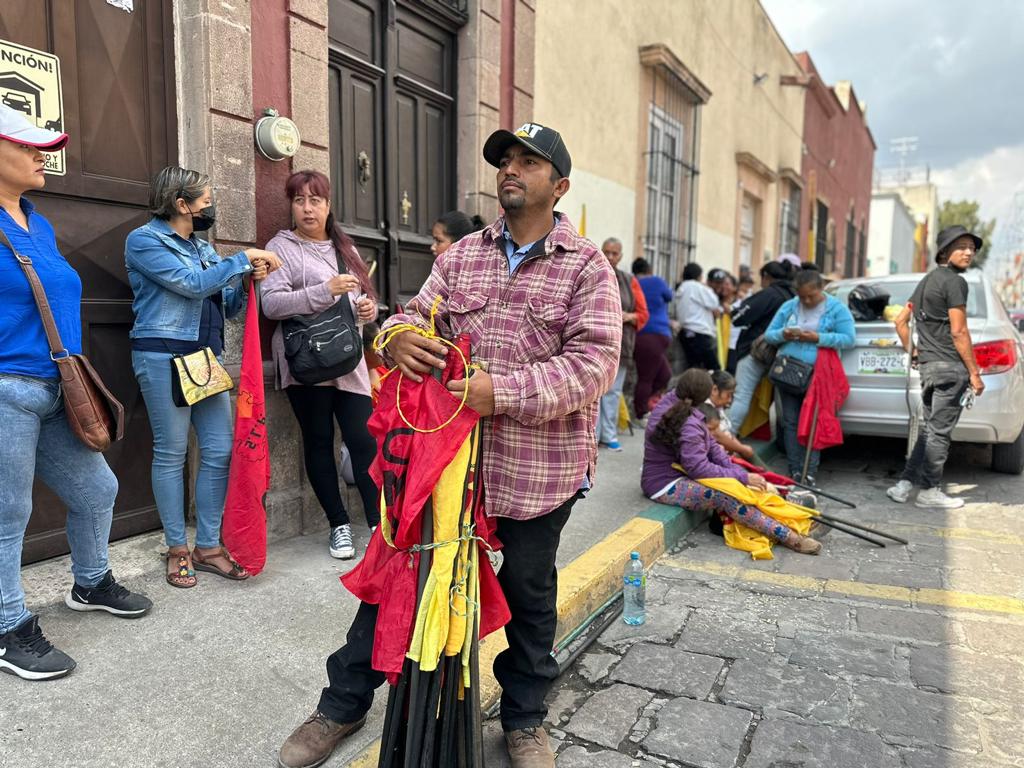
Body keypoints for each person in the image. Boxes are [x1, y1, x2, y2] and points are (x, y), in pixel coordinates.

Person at [277, 122, 621, 768]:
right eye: (505, 160)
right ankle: (342, 704)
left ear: (560, 186)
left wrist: (503, 392)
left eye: (528, 162)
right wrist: (396, 339)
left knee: (529, 594)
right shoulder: (463, 256)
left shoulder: (586, 268)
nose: (510, 169)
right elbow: (412, 314)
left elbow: (594, 366)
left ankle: (524, 720)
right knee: (400, 577)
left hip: (536, 472)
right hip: (445, 464)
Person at [0, 104, 152, 681]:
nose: (42, 156)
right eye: (27, 146)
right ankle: (7, 627)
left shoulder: (36, 222)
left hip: (55, 388)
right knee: (8, 512)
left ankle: (90, 583)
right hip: (6, 388)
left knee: (97, 489)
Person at [126, 166, 282, 588]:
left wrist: (245, 281)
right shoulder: (144, 240)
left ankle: (208, 547)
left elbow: (226, 306)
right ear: (181, 204)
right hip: (162, 353)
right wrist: (240, 259)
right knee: (171, 452)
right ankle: (177, 548)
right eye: (206, 201)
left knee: (219, 450)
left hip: (205, 358)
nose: (211, 208)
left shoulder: (203, 248)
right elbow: (192, 285)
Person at [261, 170, 381, 559]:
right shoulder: (281, 247)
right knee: (318, 442)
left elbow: (359, 304)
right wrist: (324, 290)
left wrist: (366, 311)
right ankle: (338, 525)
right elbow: (271, 304)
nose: (307, 208)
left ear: (328, 205)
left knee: (363, 440)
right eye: (299, 200)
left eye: (315, 200)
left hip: (348, 359)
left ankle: (378, 526)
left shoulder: (345, 248)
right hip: (307, 362)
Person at [641, 369, 819, 555]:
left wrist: (741, 474)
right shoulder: (688, 423)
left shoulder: (683, 405)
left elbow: (713, 449)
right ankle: (789, 537)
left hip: (680, 473)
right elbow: (699, 468)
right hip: (664, 483)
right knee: (727, 496)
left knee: (743, 484)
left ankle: (791, 519)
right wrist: (741, 477)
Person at [887, 225, 985, 509]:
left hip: (929, 369)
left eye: (972, 248)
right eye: (961, 247)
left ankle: (904, 485)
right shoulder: (955, 283)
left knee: (930, 431)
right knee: (939, 433)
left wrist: (915, 352)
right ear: (944, 252)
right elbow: (959, 331)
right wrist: (974, 373)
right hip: (951, 369)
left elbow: (900, 322)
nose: (968, 252)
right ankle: (929, 491)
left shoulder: (926, 281)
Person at [764, 268, 855, 484]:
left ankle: (809, 471)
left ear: (821, 289)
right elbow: (769, 335)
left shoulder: (836, 309)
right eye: (802, 296)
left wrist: (818, 338)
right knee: (790, 422)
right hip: (788, 372)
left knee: (814, 422)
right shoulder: (789, 306)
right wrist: (783, 334)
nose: (806, 300)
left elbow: (849, 339)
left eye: (811, 296)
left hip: (818, 375)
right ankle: (795, 469)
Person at [728, 261, 795, 431]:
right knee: (781, 403)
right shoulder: (793, 295)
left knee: (741, 395)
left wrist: (733, 312)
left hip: (757, 352)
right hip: (784, 355)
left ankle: (727, 435)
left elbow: (738, 317)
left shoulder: (770, 294)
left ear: (766, 276)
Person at [597, 237, 649, 450]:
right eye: (607, 252)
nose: (610, 257)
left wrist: (628, 316)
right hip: (594, 340)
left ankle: (608, 435)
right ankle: (591, 437)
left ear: (621, 256)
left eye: (614, 253)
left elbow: (643, 314)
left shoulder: (629, 280)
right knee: (593, 391)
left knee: (613, 392)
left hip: (621, 343)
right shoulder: (592, 271)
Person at [631, 257, 674, 419]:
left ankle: (646, 403)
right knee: (646, 378)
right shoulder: (657, 281)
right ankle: (641, 413)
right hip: (654, 335)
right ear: (649, 270)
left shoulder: (632, 283)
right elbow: (669, 296)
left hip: (641, 336)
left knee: (665, 374)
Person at [675, 262, 721, 370]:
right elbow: (714, 303)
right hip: (700, 333)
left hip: (685, 332)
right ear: (699, 275)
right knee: (714, 369)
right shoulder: (697, 287)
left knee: (694, 368)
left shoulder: (681, 287)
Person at [707, 370, 755, 461]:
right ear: (714, 390)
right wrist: (742, 449)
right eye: (728, 395)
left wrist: (740, 448)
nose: (729, 400)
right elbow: (717, 434)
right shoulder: (706, 407)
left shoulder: (718, 406)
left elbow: (727, 433)